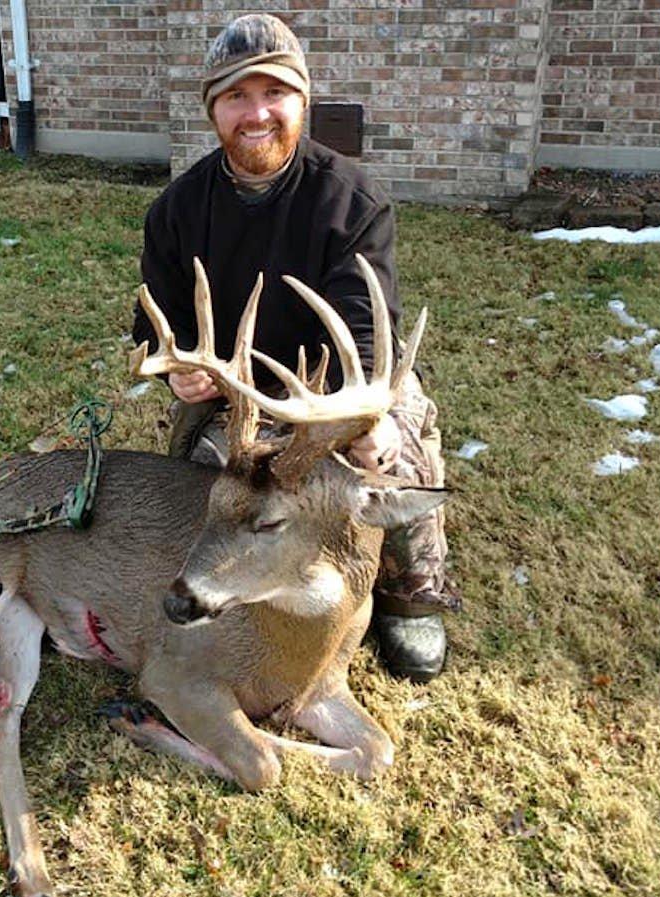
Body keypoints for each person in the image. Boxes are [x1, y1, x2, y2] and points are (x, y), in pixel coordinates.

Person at [132, 13, 460, 683]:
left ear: (301, 101)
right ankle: (243, 587)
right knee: (211, 487)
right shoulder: (177, 209)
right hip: (242, 396)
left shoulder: (351, 199)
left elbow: (365, 328)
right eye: (236, 96)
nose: (257, 114)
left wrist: (363, 424)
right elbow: (154, 321)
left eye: (274, 93)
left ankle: (410, 595)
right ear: (213, 110)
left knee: (393, 461)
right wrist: (180, 375)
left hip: (338, 387)